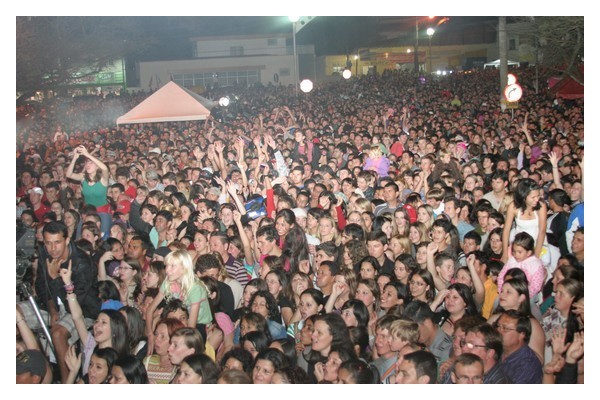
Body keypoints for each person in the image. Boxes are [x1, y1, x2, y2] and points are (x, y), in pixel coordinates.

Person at [17, 220, 101, 383]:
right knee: (15, 312)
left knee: (57, 334)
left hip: (81, 310)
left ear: (67, 240)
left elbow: (74, 303)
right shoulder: (44, 254)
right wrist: (52, 309)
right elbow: (41, 286)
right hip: (51, 306)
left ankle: (65, 382)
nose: (52, 248)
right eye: (48, 243)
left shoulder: (82, 262)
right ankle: (28, 371)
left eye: (57, 242)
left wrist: (55, 278)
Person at [146, 250, 212, 353]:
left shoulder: (194, 288)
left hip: (197, 325)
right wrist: (150, 335)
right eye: (167, 266)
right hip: (178, 320)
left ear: (184, 268)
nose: (167, 270)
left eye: (173, 266)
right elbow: (150, 309)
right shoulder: (168, 281)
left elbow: (191, 327)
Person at [496, 310, 543, 384]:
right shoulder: (496, 350)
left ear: (522, 334)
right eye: (498, 326)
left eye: (505, 328)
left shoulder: (528, 365)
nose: (498, 331)